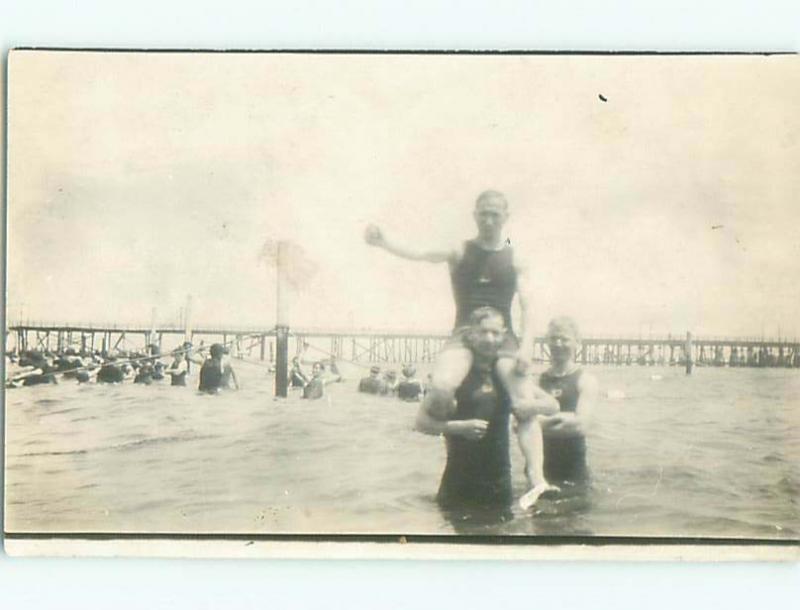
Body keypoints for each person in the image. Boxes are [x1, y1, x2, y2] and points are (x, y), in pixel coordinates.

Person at [365, 190, 536, 424]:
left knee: (524, 401)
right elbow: (420, 253)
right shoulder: (459, 250)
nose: (488, 221)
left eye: (495, 215)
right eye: (483, 214)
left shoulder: (516, 256)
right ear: (474, 215)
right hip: (464, 334)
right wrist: (384, 241)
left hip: (502, 337)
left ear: (506, 216)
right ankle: (456, 428)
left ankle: (535, 463)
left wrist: (527, 348)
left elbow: (528, 306)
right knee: (442, 386)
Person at [415, 307, 558, 519]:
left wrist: (530, 408)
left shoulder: (508, 377)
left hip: (499, 483)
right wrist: (457, 427)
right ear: (470, 335)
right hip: (457, 482)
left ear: (503, 336)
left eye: (495, 333)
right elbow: (421, 422)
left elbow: (552, 404)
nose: (489, 339)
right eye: (483, 332)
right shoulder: (456, 376)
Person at [535, 317, 597, 488]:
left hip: (574, 471)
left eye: (564, 339)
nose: (558, 344)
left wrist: (538, 423)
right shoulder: (537, 381)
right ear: (546, 342)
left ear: (577, 342)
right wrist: (565, 419)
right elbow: (518, 426)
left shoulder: (585, 380)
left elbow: (580, 426)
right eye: (553, 338)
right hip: (540, 471)